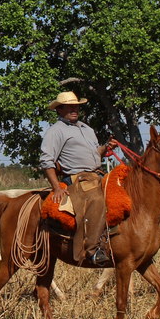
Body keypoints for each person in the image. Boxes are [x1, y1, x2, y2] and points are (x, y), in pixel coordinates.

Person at [40, 90, 117, 266]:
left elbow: (95, 154)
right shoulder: (56, 131)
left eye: (76, 106)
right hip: (77, 179)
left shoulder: (87, 129)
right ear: (59, 109)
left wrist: (106, 147)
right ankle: (92, 249)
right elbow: (47, 161)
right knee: (97, 199)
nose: (74, 109)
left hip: (97, 174)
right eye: (69, 107)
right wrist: (57, 187)